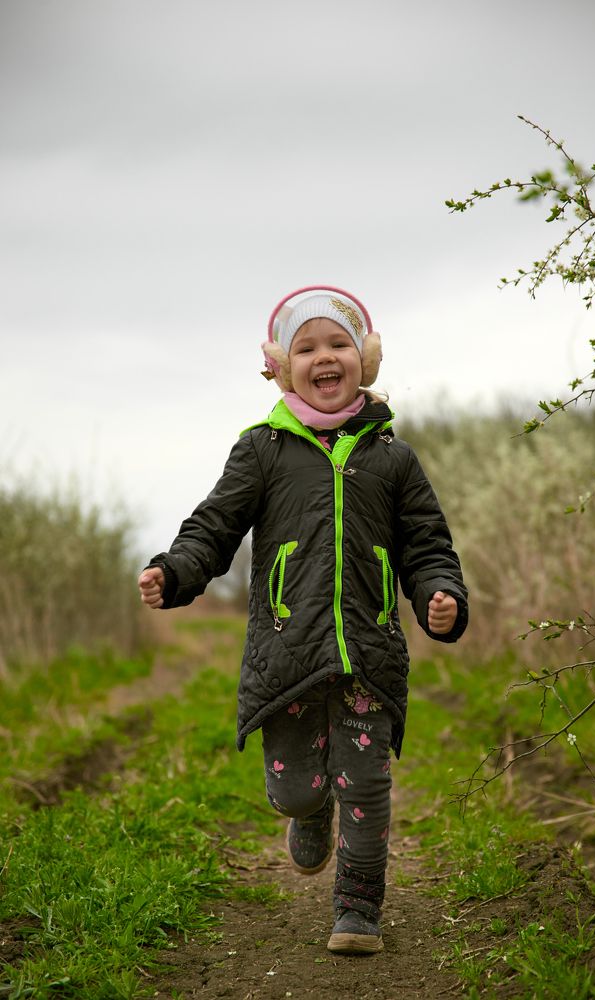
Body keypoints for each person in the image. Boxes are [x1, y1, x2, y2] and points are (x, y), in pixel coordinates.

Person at [138, 285, 468, 955]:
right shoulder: (261, 451)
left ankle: (358, 910)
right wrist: (175, 571)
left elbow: (428, 544)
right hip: (287, 653)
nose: (326, 356)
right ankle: (310, 811)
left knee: (369, 787)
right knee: (294, 791)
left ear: (365, 360)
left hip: (368, 651)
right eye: (307, 346)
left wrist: (441, 596)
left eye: (340, 343)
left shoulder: (393, 459)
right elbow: (216, 526)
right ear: (281, 367)